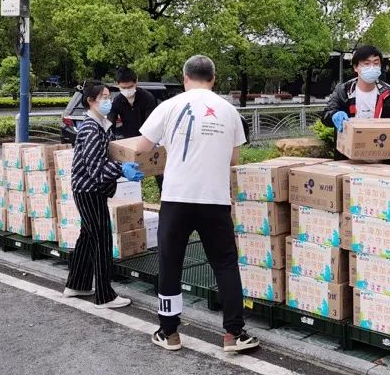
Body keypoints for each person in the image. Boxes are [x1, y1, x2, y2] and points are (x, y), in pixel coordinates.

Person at [135, 55, 260, 353]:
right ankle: (234, 333)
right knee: (225, 263)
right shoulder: (229, 111)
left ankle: (169, 332)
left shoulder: (169, 106)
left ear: (184, 78)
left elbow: (141, 147)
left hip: (176, 198)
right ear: (213, 79)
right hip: (214, 199)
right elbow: (233, 159)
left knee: (170, 262)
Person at [64, 80, 145, 309]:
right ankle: (104, 296)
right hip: (89, 190)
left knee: (88, 237)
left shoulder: (99, 125)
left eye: (109, 96)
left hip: (87, 189)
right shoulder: (91, 129)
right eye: (104, 97)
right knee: (101, 239)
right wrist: (121, 169)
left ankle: (76, 285)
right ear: (91, 101)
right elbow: (95, 168)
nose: (109, 101)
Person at [322, 45, 390, 160]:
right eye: (366, 63)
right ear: (356, 67)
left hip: (381, 160)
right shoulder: (343, 91)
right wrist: (334, 116)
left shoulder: (389, 94)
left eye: (376, 63)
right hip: (347, 159)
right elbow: (326, 115)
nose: (372, 67)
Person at [108, 67, 164, 192]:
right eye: (123, 88)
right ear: (118, 85)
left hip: (148, 140)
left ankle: (163, 196)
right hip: (129, 141)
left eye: (130, 87)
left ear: (136, 82)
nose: (127, 90)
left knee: (159, 172)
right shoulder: (117, 101)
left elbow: (151, 124)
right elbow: (111, 122)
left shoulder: (147, 97)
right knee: (130, 177)